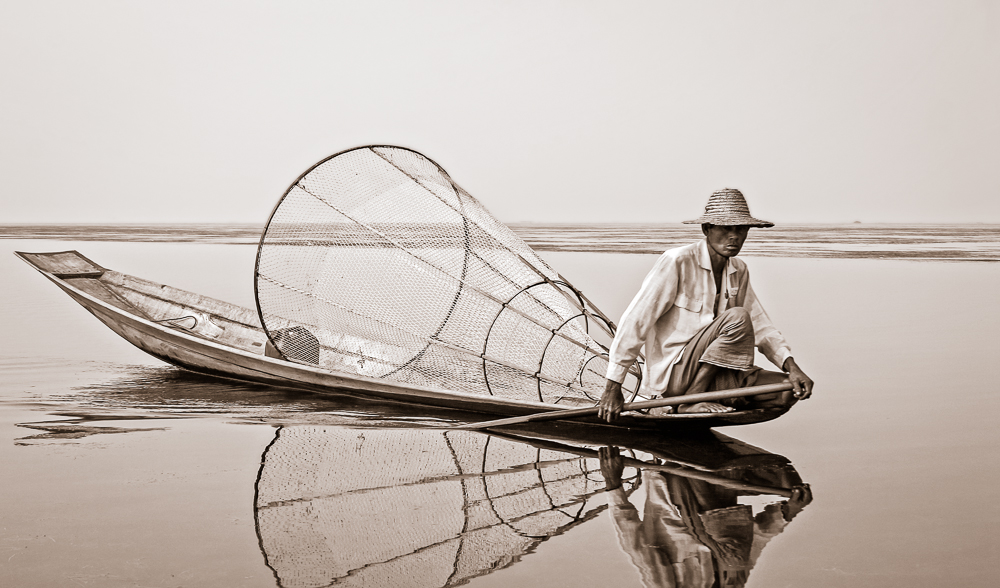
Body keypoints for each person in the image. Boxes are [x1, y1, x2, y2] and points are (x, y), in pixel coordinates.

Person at [598, 188, 813, 421]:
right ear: (706, 229)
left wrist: (792, 368)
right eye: (725, 229)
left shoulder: (738, 270)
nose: (734, 237)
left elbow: (762, 326)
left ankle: (705, 397)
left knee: (785, 391)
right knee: (738, 317)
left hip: (717, 374)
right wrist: (613, 387)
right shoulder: (677, 261)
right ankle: (690, 401)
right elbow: (636, 321)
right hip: (676, 377)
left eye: (740, 229)